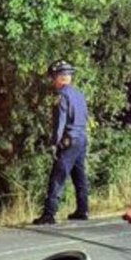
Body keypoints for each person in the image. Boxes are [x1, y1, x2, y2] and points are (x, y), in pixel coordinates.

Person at [33, 60, 89, 225]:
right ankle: (83, 209)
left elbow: (60, 122)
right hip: (81, 138)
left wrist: (54, 143)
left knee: (57, 176)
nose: (52, 81)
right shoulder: (79, 94)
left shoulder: (62, 96)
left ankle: (49, 213)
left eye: (53, 77)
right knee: (80, 176)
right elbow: (85, 117)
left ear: (59, 78)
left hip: (68, 140)